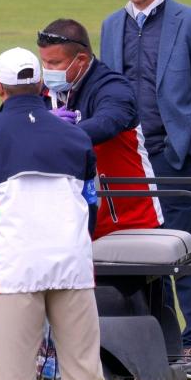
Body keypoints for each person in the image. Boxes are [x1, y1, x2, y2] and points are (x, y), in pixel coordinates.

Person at [99, 0, 191, 378]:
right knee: (146, 256)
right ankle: (164, 345)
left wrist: (187, 142)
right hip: (128, 160)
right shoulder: (111, 25)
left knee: (185, 252)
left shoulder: (190, 21)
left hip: (172, 155)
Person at [0, 47, 104, 380]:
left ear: (0, 88)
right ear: (41, 87)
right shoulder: (76, 136)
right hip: (72, 265)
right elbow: (90, 202)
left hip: (13, 268)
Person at [37, 19, 162, 239]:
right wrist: (39, 124)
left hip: (129, 223)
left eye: (55, 63)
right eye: (44, 63)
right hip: (70, 227)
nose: (47, 71)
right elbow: (11, 124)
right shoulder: (42, 92)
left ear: (81, 60)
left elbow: (107, 123)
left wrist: (55, 132)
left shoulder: (113, 88)